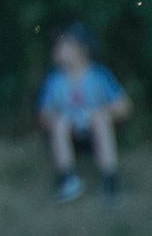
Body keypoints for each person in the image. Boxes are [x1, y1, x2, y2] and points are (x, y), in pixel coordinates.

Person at [37, 23, 129, 202]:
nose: (57, 50)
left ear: (81, 50)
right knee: (60, 123)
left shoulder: (99, 76)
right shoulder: (54, 80)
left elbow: (124, 106)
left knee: (100, 120)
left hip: (95, 131)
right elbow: (43, 114)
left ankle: (110, 178)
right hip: (68, 134)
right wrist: (55, 118)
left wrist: (101, 113)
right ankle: (66, 178)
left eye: (63, 45)